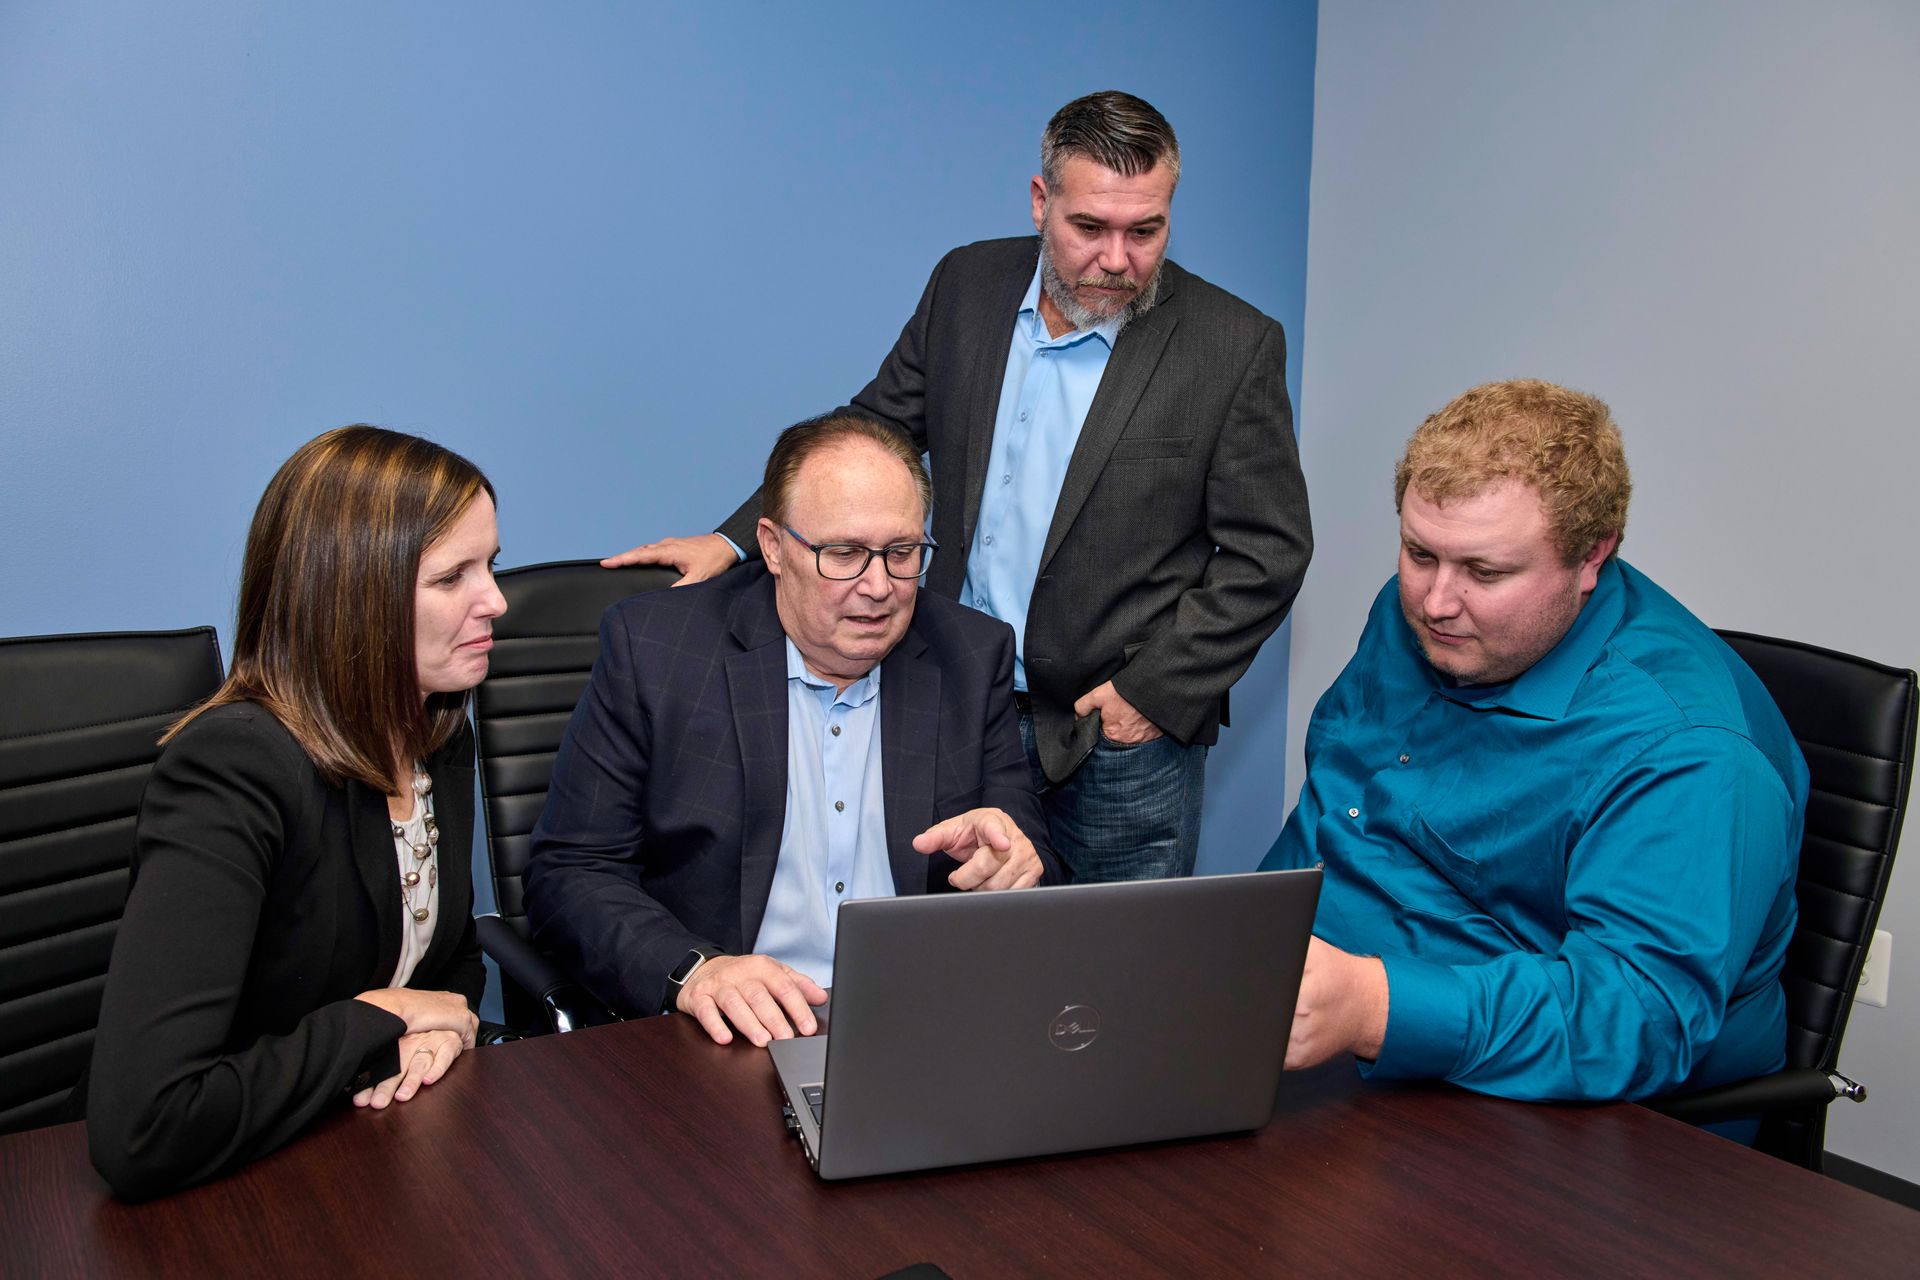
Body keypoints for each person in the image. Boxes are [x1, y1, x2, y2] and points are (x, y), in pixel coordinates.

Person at [605, 91, 1312, 883]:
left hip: (1115, 738)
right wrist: (735, 537)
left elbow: (1270, 550)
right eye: (1090, 228)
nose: (1118, 259)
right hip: (945, 701)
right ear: (1042, 202)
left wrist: (1151, 692)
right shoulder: (967, 283)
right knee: (955, 965)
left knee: (1115, 982)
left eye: (1144, 231)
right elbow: (874, 429)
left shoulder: (1233, 344)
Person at [1263, 379, 1807, 1104]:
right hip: (1315, 1025)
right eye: (1419, 553)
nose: (1435, 601)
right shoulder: (1425, 622)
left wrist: (1373, 1008)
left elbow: (1633, 1018)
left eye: (1485, 571)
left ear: (1591, 558)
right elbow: (1337, 808)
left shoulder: (1689, 753)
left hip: (1548, 1099)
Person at [526, 416, 1058, 1048]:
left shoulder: (969, 655)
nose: (880, 587)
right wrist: (696, 972)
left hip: (918, 1027)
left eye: (902, 553)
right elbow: (571, 872)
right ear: (773, 548)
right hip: (726, 1033)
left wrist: (1018, 865)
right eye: (843, 554)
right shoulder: (658, 651)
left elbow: (1034, 861)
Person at [86, 426, 504, 1200]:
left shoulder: (439, 733)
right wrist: (379, 1019)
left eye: (492, 565)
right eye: (453, 578)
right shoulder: (235, 767)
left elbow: (451, 959)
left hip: (374, 1155)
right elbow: (145, 1127)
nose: (497, 601)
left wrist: (437, 1027)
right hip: (237, 1193)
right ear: (353, 594)